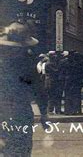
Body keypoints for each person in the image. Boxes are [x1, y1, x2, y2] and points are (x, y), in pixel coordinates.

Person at [0, 20, 49, 156]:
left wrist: (44, 114)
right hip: (19, 114)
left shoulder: (25, 66)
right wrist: (44, 114)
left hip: (13, 114)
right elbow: (39, 91)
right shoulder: (27, 65)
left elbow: (39, 90)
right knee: (21, 149)